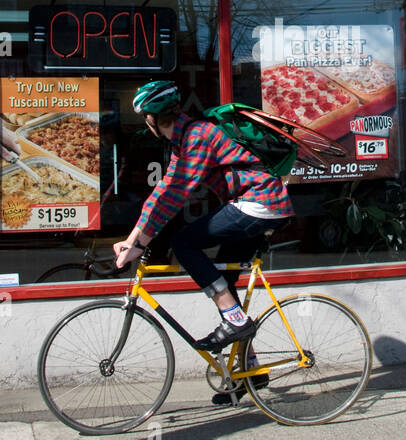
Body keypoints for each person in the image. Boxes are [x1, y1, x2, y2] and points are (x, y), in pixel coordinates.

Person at [114, 80, 293, 356]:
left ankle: (234, 320)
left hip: (259, 202)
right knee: (225, 282)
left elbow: (175, 193)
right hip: (256, 205)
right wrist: (133, 237)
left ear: (151, 118)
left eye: (145, 119)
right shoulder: (185, 138)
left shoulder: (197, 136)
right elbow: (163, 189)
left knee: (184, 243)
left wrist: (140, 243)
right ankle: (250, 369)